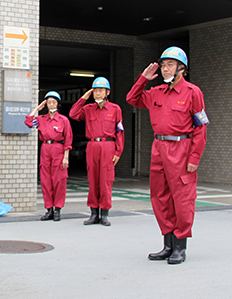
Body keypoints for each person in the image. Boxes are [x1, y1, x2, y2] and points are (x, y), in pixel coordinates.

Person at [126, 47, 208, 265]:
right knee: (160, 197)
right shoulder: (156, 92)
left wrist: (194, 158)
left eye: (170, 64)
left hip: (181, 148)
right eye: (163, 65)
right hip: (159, 147)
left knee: (182, 198)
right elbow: (132, 98)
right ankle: (168, 244)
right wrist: (143, 79)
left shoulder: (192, 92)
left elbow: (201, 128)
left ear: (182, 68)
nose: (165, 68)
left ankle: (180, 246)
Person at [69, 77, 125, 226]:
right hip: (92, 145)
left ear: (107, 92)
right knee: (93, 180)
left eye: (101, 90)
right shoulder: (88, 109)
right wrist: (83, 98)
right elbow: (73, 114)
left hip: (108, 146)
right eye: (95, 91)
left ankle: (104, 214)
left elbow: (120, 131)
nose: (98, 93)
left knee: (105, 181)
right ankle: (94, 214)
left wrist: (118, 151)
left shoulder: (115, 109)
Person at [25, 91, 73, 221]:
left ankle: (57, 210)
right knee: (46, 181)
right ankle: (49, 210)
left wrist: (66, 157)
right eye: (49, 102)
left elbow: (68, 140)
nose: (51, 104)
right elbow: (28, 122)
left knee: (59, 181)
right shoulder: (41, 119)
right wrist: (36, 109)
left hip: (59, 149)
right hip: (45, 149)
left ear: (58, 103)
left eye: (54, 102)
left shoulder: (63, 120)